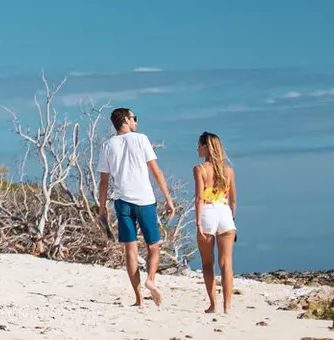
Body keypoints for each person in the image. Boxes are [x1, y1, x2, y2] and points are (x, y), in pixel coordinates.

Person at [96, 107, 177, 307]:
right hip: (144, 200)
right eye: (134, 118)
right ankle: (151, 279)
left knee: (130, 250)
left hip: (122, 201)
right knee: (153, 246)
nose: (136, 122)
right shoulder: (141, 139)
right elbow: (156, 171)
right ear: (125, 120)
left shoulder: (107, 145)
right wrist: (168, 198)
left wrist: (102, 208)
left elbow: (103, 182)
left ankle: (139, 298)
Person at [193, 131, 238, 314]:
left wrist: (197, 223)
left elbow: (199, 199)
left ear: (206, 147)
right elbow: (233, 200)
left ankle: (213, 305)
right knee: (226, 263)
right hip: (225, 213)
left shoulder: (200, 169)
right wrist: (232, 218)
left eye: (199, 145)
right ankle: (227, 306)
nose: (197, 148)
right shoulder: (228, 170)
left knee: (207, 263)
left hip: (208, 214)